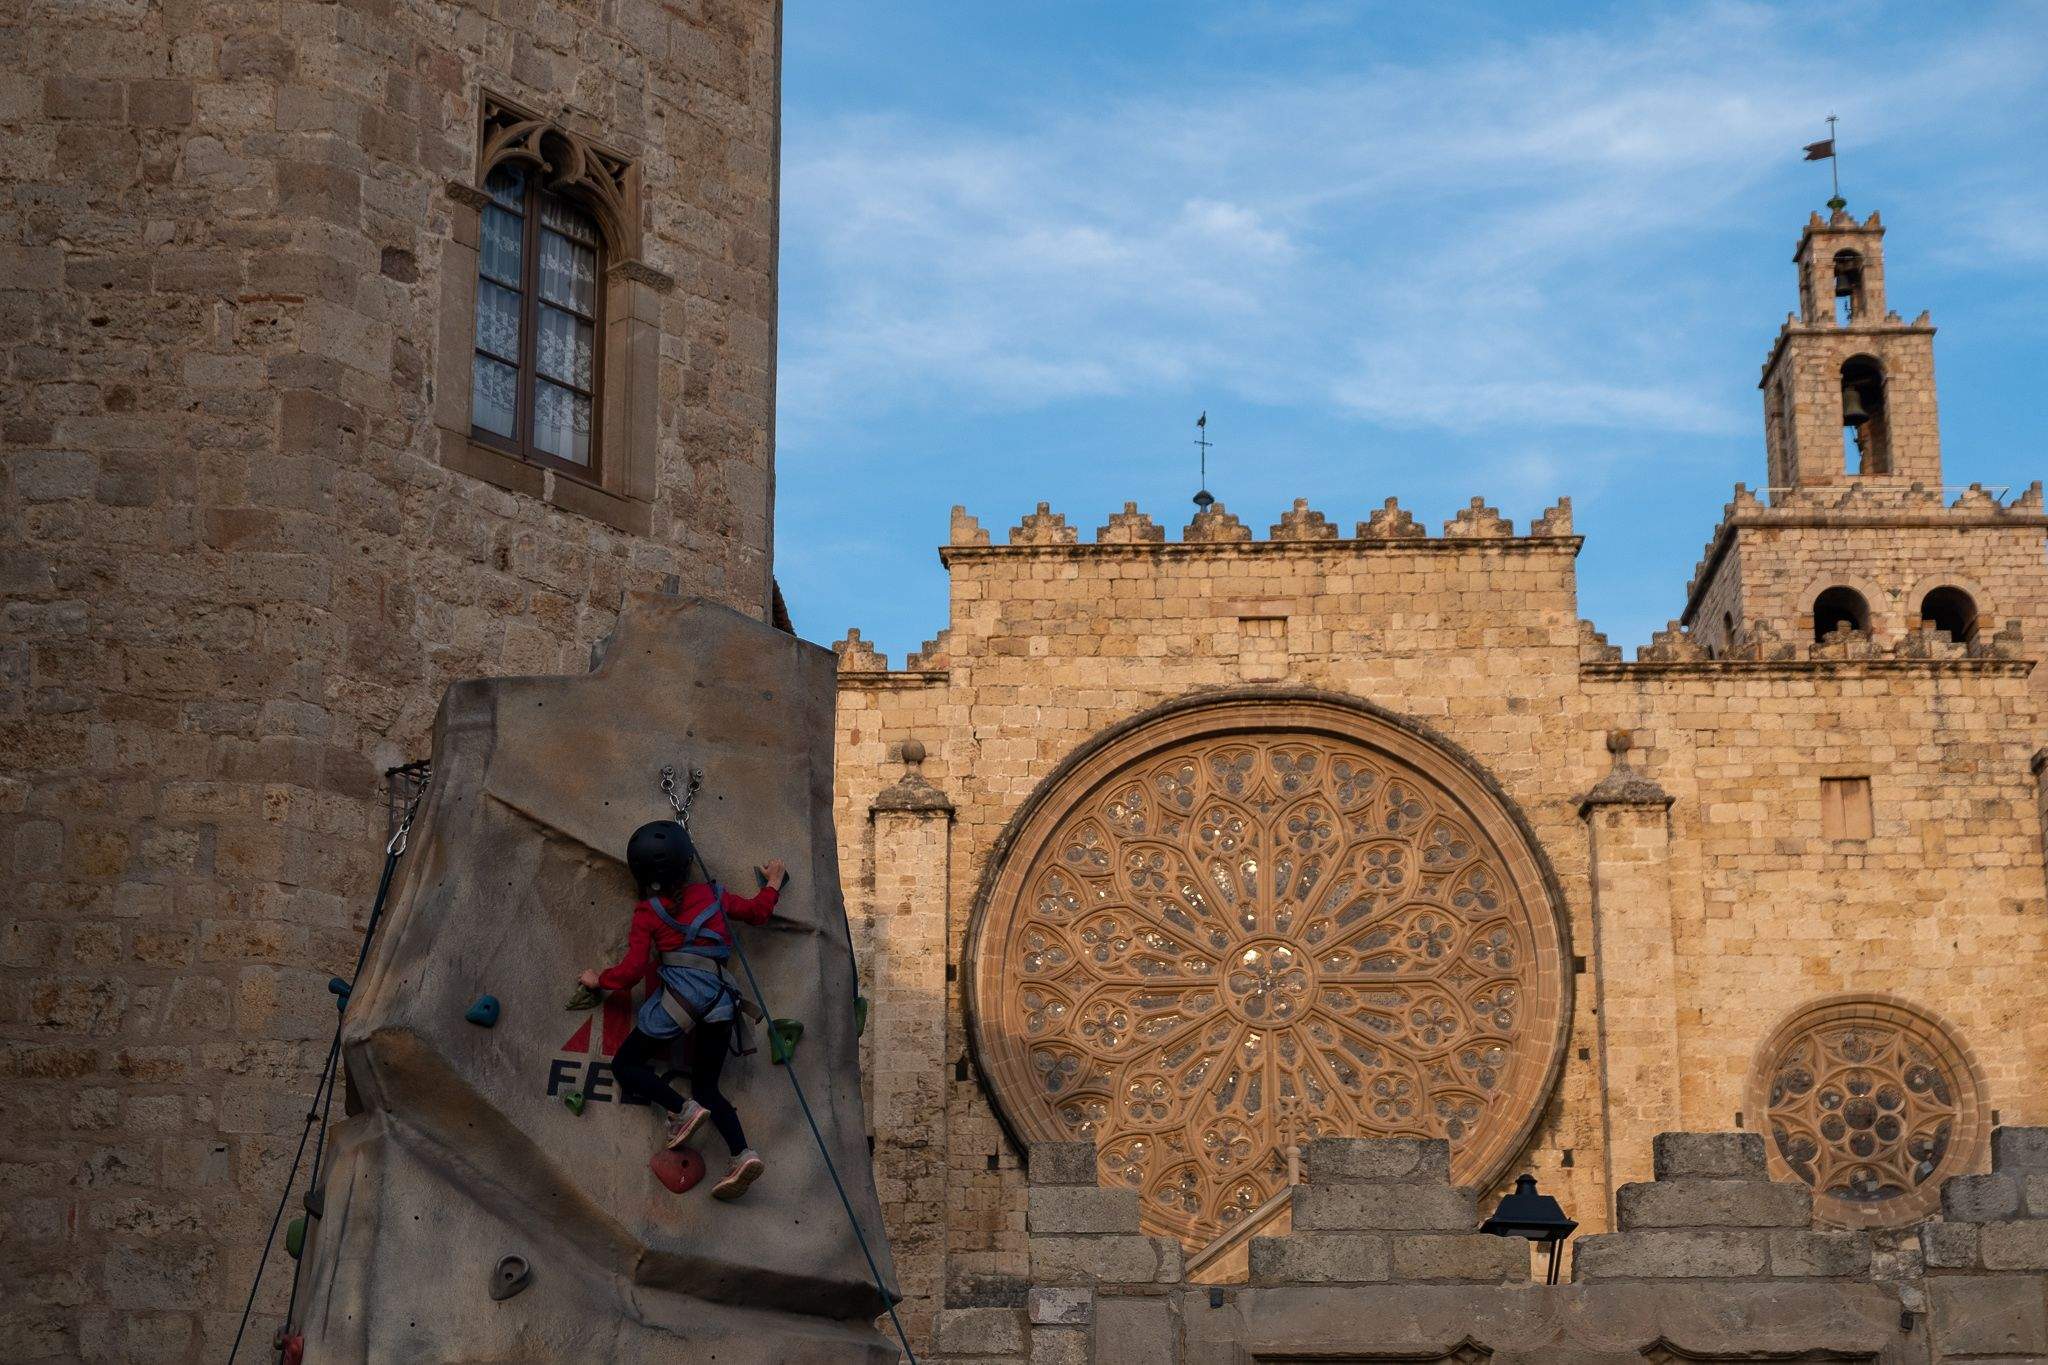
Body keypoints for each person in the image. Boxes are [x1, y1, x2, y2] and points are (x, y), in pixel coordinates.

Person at [581, 820, 785, 1200]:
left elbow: (632, 971)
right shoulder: (714, 896)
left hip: (679, 1004)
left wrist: (599, 980)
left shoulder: (647, 913)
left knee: (627, 1065)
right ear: (686, 863)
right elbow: (758, 913)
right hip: (722, 1002)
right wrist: (773, 882)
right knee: (708, 1086)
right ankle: (743, 1153)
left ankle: (680, 1109)